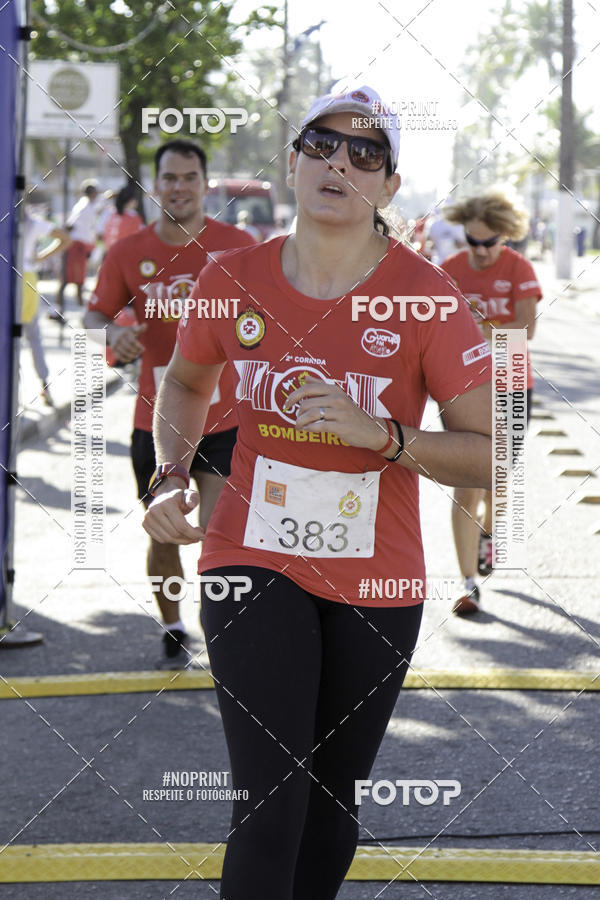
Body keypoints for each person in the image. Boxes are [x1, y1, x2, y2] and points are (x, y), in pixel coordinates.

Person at [142, 85, 492, 899]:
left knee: (330, 809)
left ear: (390, 186)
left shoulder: (427, 298)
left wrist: (388, 438)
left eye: (366, 153)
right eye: (322, 144)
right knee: (271, 804)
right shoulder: (231, 278)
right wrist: (174, 473)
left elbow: (487, 454)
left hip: (379, 573)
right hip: (250, 556)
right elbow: (187, 383)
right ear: (293, 160)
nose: (340, 162)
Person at [83, 140, 255, 668]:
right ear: (154, 185)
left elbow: (272, 321)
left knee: (223, 533)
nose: (179, 187)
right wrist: (116, 336)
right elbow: (93, 320)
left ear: (206, 183)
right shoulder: (126, 253)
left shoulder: (238, 246)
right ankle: (174, 624)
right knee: (165, 533)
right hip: (156, 422)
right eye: (169, 178)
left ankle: (226, 630)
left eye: (189, 177)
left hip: (226, 421)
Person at [441, 190, 542, 615]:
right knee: (467, 485)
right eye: (472, 241)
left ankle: (489, 533)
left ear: (506, 236)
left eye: (490, 242)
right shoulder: (447, 270)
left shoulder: (518, 268)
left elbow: (526, 329)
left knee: (496, 483)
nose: (481, 252)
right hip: (464, 389)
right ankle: (467, 583)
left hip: (514, 383)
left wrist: (481, 329)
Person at [22, 205, 71, 404]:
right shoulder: (32, 223)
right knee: (33, 336)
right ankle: (45, 386)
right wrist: (40, 257)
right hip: (26, 277)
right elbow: (66, 239)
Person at [55, 180, 102, 318]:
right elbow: (71, 225)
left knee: (78, 280)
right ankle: (62, 311)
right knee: (72, 280)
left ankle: (76, 311)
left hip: (80, 246)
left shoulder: (88, 205)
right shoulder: (84, 206)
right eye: (96, 192)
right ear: (92, 193)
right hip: (75, 246)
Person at [102, 185, 143, 251]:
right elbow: (140, 236)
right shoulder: (133, 216)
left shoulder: (110, 213)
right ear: (131, 200)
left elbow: (101, 233)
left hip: (110, 252)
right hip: (126, 252)